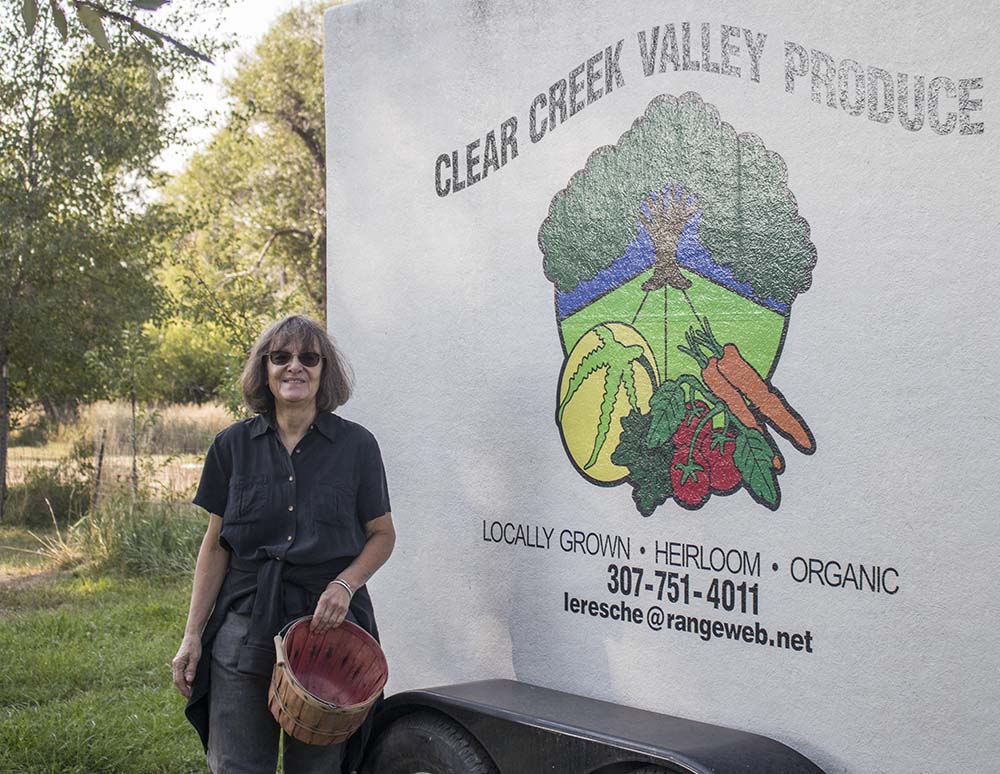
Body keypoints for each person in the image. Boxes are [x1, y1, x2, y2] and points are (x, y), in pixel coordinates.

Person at [171, 314, 395, 774]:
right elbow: (216, 546)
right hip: (243, 627)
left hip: (327, 635)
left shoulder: (357, 447)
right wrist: (192, 635)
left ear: (324, 370)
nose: (295, 366)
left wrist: (346, 584)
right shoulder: (231, 446)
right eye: (281, 357)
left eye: (308, 357)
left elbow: (382, 534)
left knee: (317, 768)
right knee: (237, 765)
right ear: (265, 369)